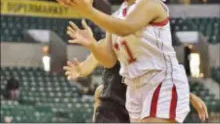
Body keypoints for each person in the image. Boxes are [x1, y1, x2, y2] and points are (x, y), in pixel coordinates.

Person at [61, 0, 206, 122]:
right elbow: (109, 59)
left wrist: (89, 11)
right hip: (135, 88)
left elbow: (126, 27)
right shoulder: (116, 17)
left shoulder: (151, 3)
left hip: (160, 80)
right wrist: (92, 44)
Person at [64, 51, 208, 123]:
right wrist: (81, 69)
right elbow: (92, 60)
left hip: (138, 109)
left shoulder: (149, 49)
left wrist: (190, 96)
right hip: (115, 108)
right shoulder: (111, 45)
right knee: (99, 91)